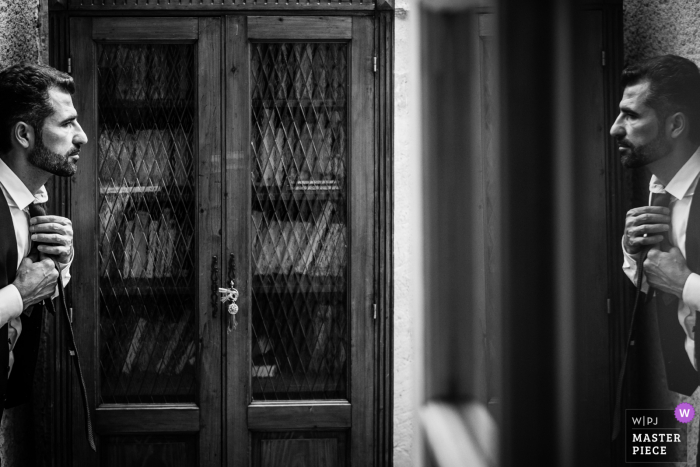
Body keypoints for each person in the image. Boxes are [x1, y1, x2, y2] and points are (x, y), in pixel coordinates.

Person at [0, 63, 87, 422]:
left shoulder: (33, 201)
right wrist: (20, 295)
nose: (81, 135)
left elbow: (41, 286)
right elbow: (24, 292)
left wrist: (60, 263)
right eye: (67, 123)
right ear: (25, 134)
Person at [613, 54, 700, 396]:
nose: (615, 127)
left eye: (631, 115)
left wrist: (685, 284)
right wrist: (632, 252)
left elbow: (678, 280)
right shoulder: (660, 188)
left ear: (675, 125)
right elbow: (659, 279)